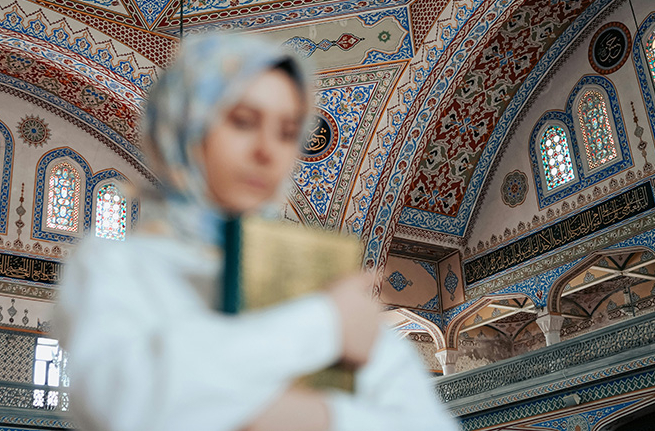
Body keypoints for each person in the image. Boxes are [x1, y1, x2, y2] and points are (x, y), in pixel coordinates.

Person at [54, 34, 459, 431]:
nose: (268, 151)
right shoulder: (117, 268)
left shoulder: (315, 279)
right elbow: (136, 407)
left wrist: (310, 417)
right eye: (243, 122)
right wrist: (321, 325)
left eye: (286, 132)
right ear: (187, 127)